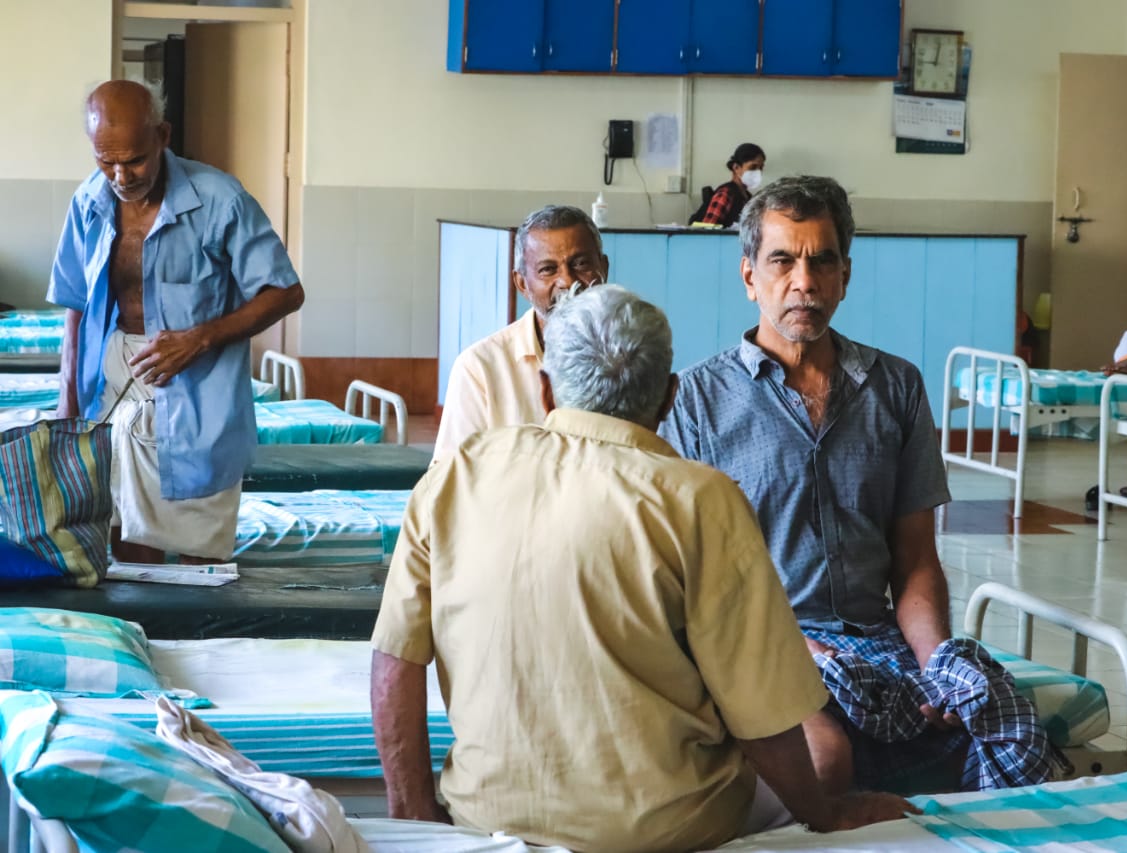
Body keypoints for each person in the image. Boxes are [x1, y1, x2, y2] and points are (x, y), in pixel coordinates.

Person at [371, 285, 914, 851]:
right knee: (827, 754)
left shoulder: (457, 474)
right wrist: (826, 815)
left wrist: (413, 815)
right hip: (664, 830)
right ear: (669, 398)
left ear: (546, 388)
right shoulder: (700, 500)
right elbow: (765, 717)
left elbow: (394, 660)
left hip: (485, 817)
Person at [660, 176, 1051, 795]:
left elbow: (915, 559)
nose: (804, 282)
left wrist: (936, 666)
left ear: (845, 275)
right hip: (765, 650)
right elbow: (693, 584)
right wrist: (800, 654)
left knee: (993, 725)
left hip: (878, 646)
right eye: (782, 261)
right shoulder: (696, 402)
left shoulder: (896, 388)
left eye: (822, 261)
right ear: (749, 276)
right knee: (827, 758)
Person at [49, 81, 304, 564]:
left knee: (200, 558)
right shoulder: (88, 202)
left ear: (162, 136)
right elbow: (75, 305)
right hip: (114, 387)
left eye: (134, 161)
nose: (120, 176)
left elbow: (286, 292)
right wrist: (67, 402)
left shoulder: (221, 200)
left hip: (198, 395)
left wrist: (200, 338)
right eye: (106, 161)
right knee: (124, 550)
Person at [433, 204, 607, 459]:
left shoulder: (632, 356)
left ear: (604, 268)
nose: (567, 281)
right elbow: (451, 473)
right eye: (548, 269)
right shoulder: (480, 368)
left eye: (581, 264)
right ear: (522, 283)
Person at [691, 142, 766, 227]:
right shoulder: (725, 194)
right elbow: (706, 230)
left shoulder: (747, 197)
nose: (758, 172)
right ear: (736, 167)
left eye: (761, 168)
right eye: (753, 167)